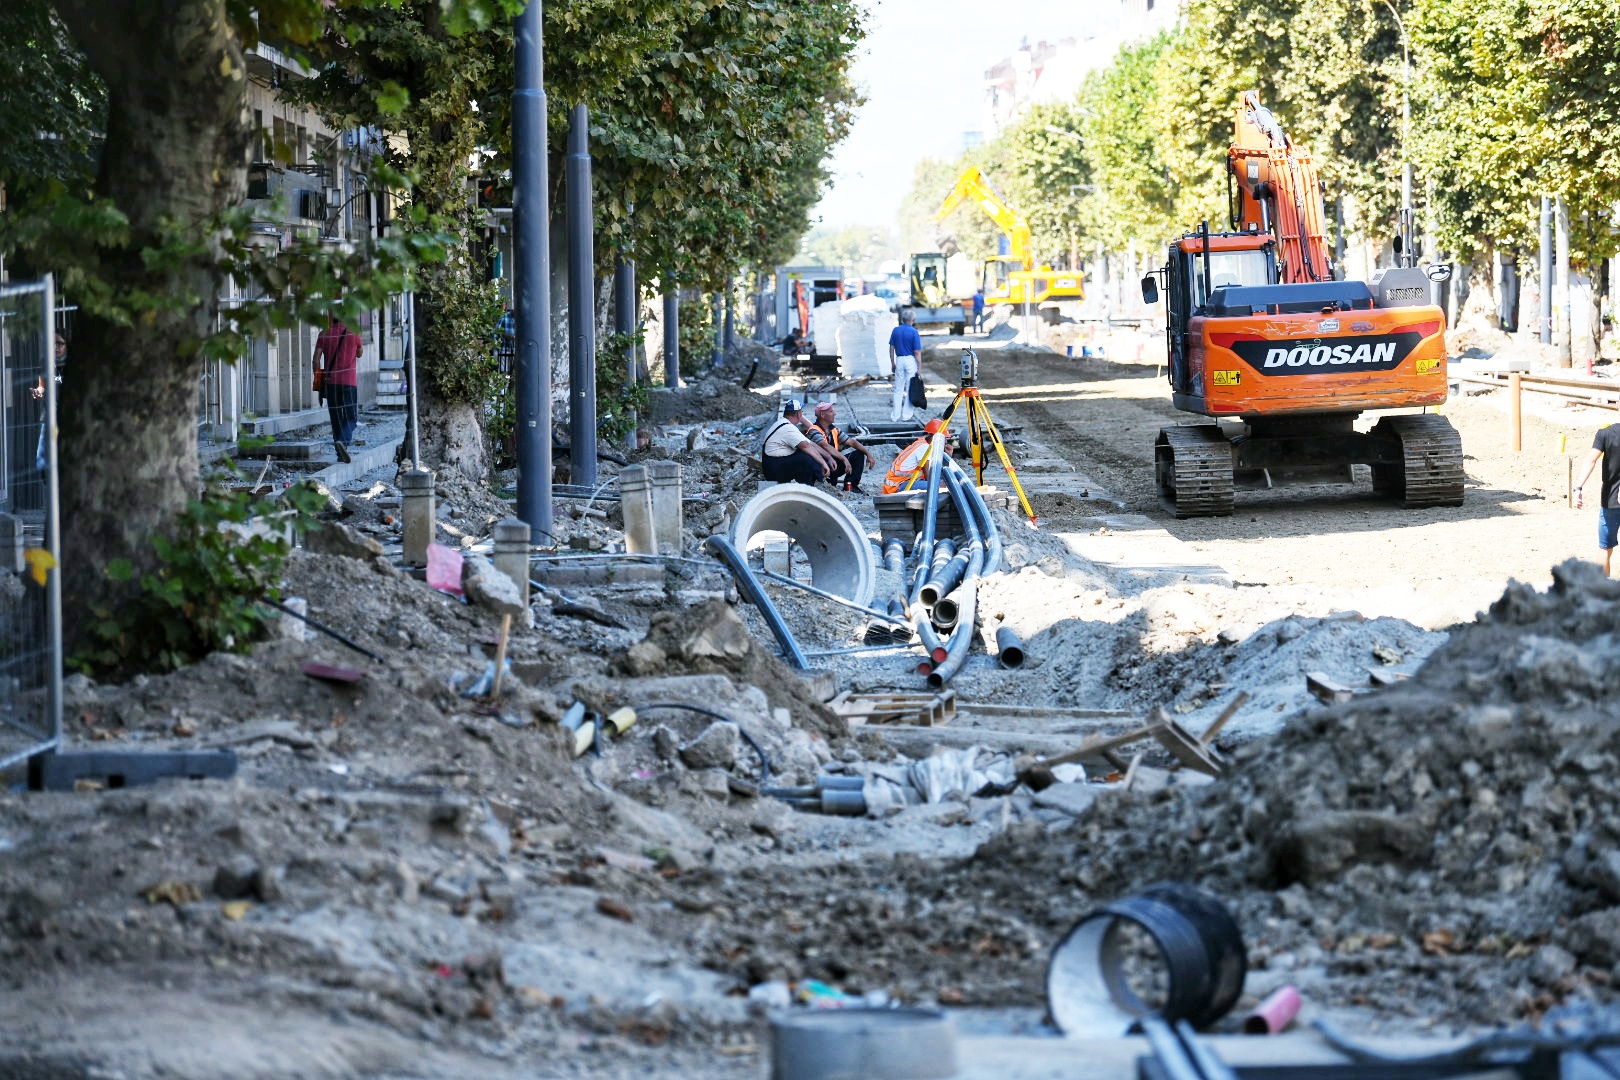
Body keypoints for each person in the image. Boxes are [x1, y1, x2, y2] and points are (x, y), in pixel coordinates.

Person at [313, 314, 363, 463]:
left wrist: (317, 380)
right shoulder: (354, 332)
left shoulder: (324, 334)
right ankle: (344, 441)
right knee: (351, 417)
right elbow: (360, 353)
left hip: (330, 382)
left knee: (336, 418)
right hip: (349, 382)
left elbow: (316, 359)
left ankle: (339, 451)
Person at [1574, 421, 1620, 575]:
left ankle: (1602, 591)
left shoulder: (1605, 434)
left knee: (1605, 548)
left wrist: (1578, 488)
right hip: (1611, 501)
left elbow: (1590, 460)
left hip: (1611, 500)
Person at [759, 399, 837, 485]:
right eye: (801, 412)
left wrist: (828, 457)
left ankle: (819, 478)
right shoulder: (788, 428)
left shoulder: (784, 423)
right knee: (807, 458)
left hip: (774, 465)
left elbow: (811, 443)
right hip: (773, 471)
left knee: (808, 454)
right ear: (798, 414)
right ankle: (808, 487)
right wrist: (823, 463)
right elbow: (806, 446)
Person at [809, 401, 877, 494]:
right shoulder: (814, 430)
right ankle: (828, 484)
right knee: (829, 486)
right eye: (831, 411)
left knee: (859, 454)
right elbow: (825, 446)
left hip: (833, 464)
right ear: (822, 415)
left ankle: (851, 486)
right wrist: (844, 459)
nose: (835, 413)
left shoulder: (834, 430)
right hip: (821, 467)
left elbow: (852, 442)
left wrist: (868, 454)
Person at [888, 309, 923, 423]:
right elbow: (917, 351)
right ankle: (906, 416)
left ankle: (895, 416)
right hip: (910, 360)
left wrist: (892, 362)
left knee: (898, 389)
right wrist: (919, 367)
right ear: (913, 320)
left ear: (902, 319)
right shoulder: (914, 332)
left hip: (899, 359)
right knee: (910, 388)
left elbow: (891, 348)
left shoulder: (896, 330)